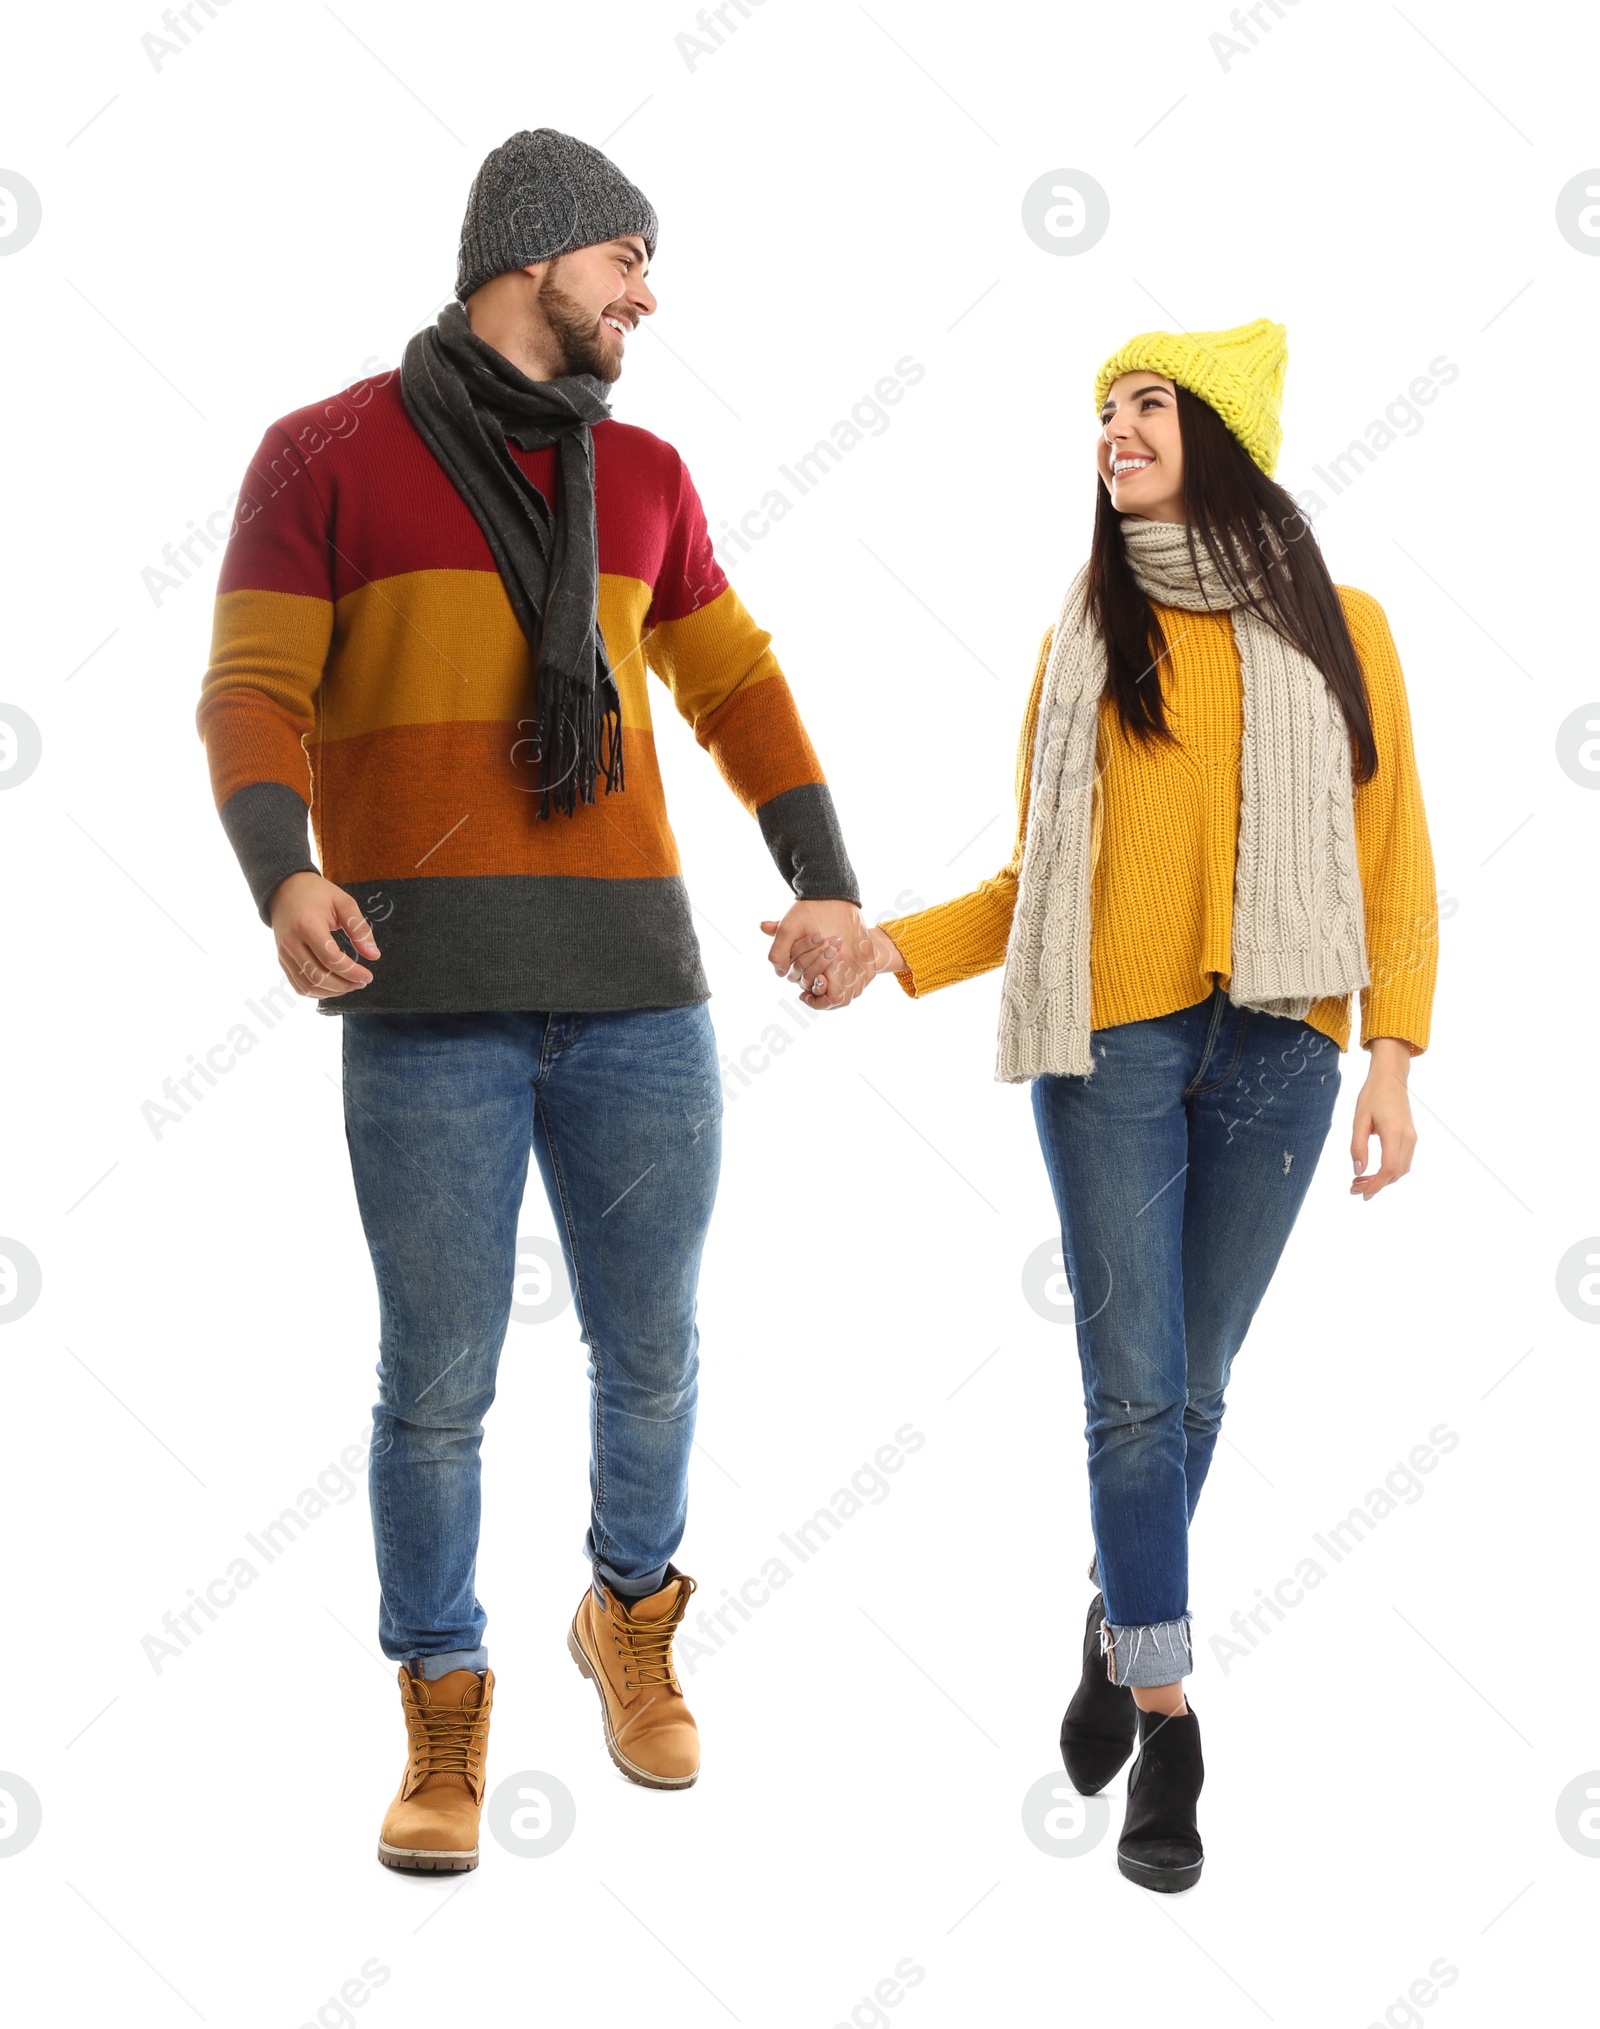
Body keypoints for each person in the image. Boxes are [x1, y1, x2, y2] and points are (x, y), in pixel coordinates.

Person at [195, 127, 866, 1871]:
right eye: (629, 258)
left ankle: (627, 1611)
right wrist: (285, 874)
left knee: (653, 1353)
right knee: (438, 1380)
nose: (649, 293)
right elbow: (250, 696)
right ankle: (441, 1692)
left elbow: (739, 689)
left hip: (640, 995)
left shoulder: (641, 474)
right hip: (428, 1006)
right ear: (536, 254)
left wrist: (829, 877)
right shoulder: (322, 454)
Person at [784, 318, 1439, 1891]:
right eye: (1104, 408)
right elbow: (1036, 881)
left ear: (1219, 433)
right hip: (1113, 1054)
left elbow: (1396, 856)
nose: (1115, 428)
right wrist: (890, 948)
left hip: (1283, 1049)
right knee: (1135, 1394)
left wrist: (1395, 1056)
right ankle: (1172, 1719)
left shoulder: (1346, 629)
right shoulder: (1086, 633)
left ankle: (1112, 1617)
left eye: (1147, 403)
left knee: (1198, 1389)